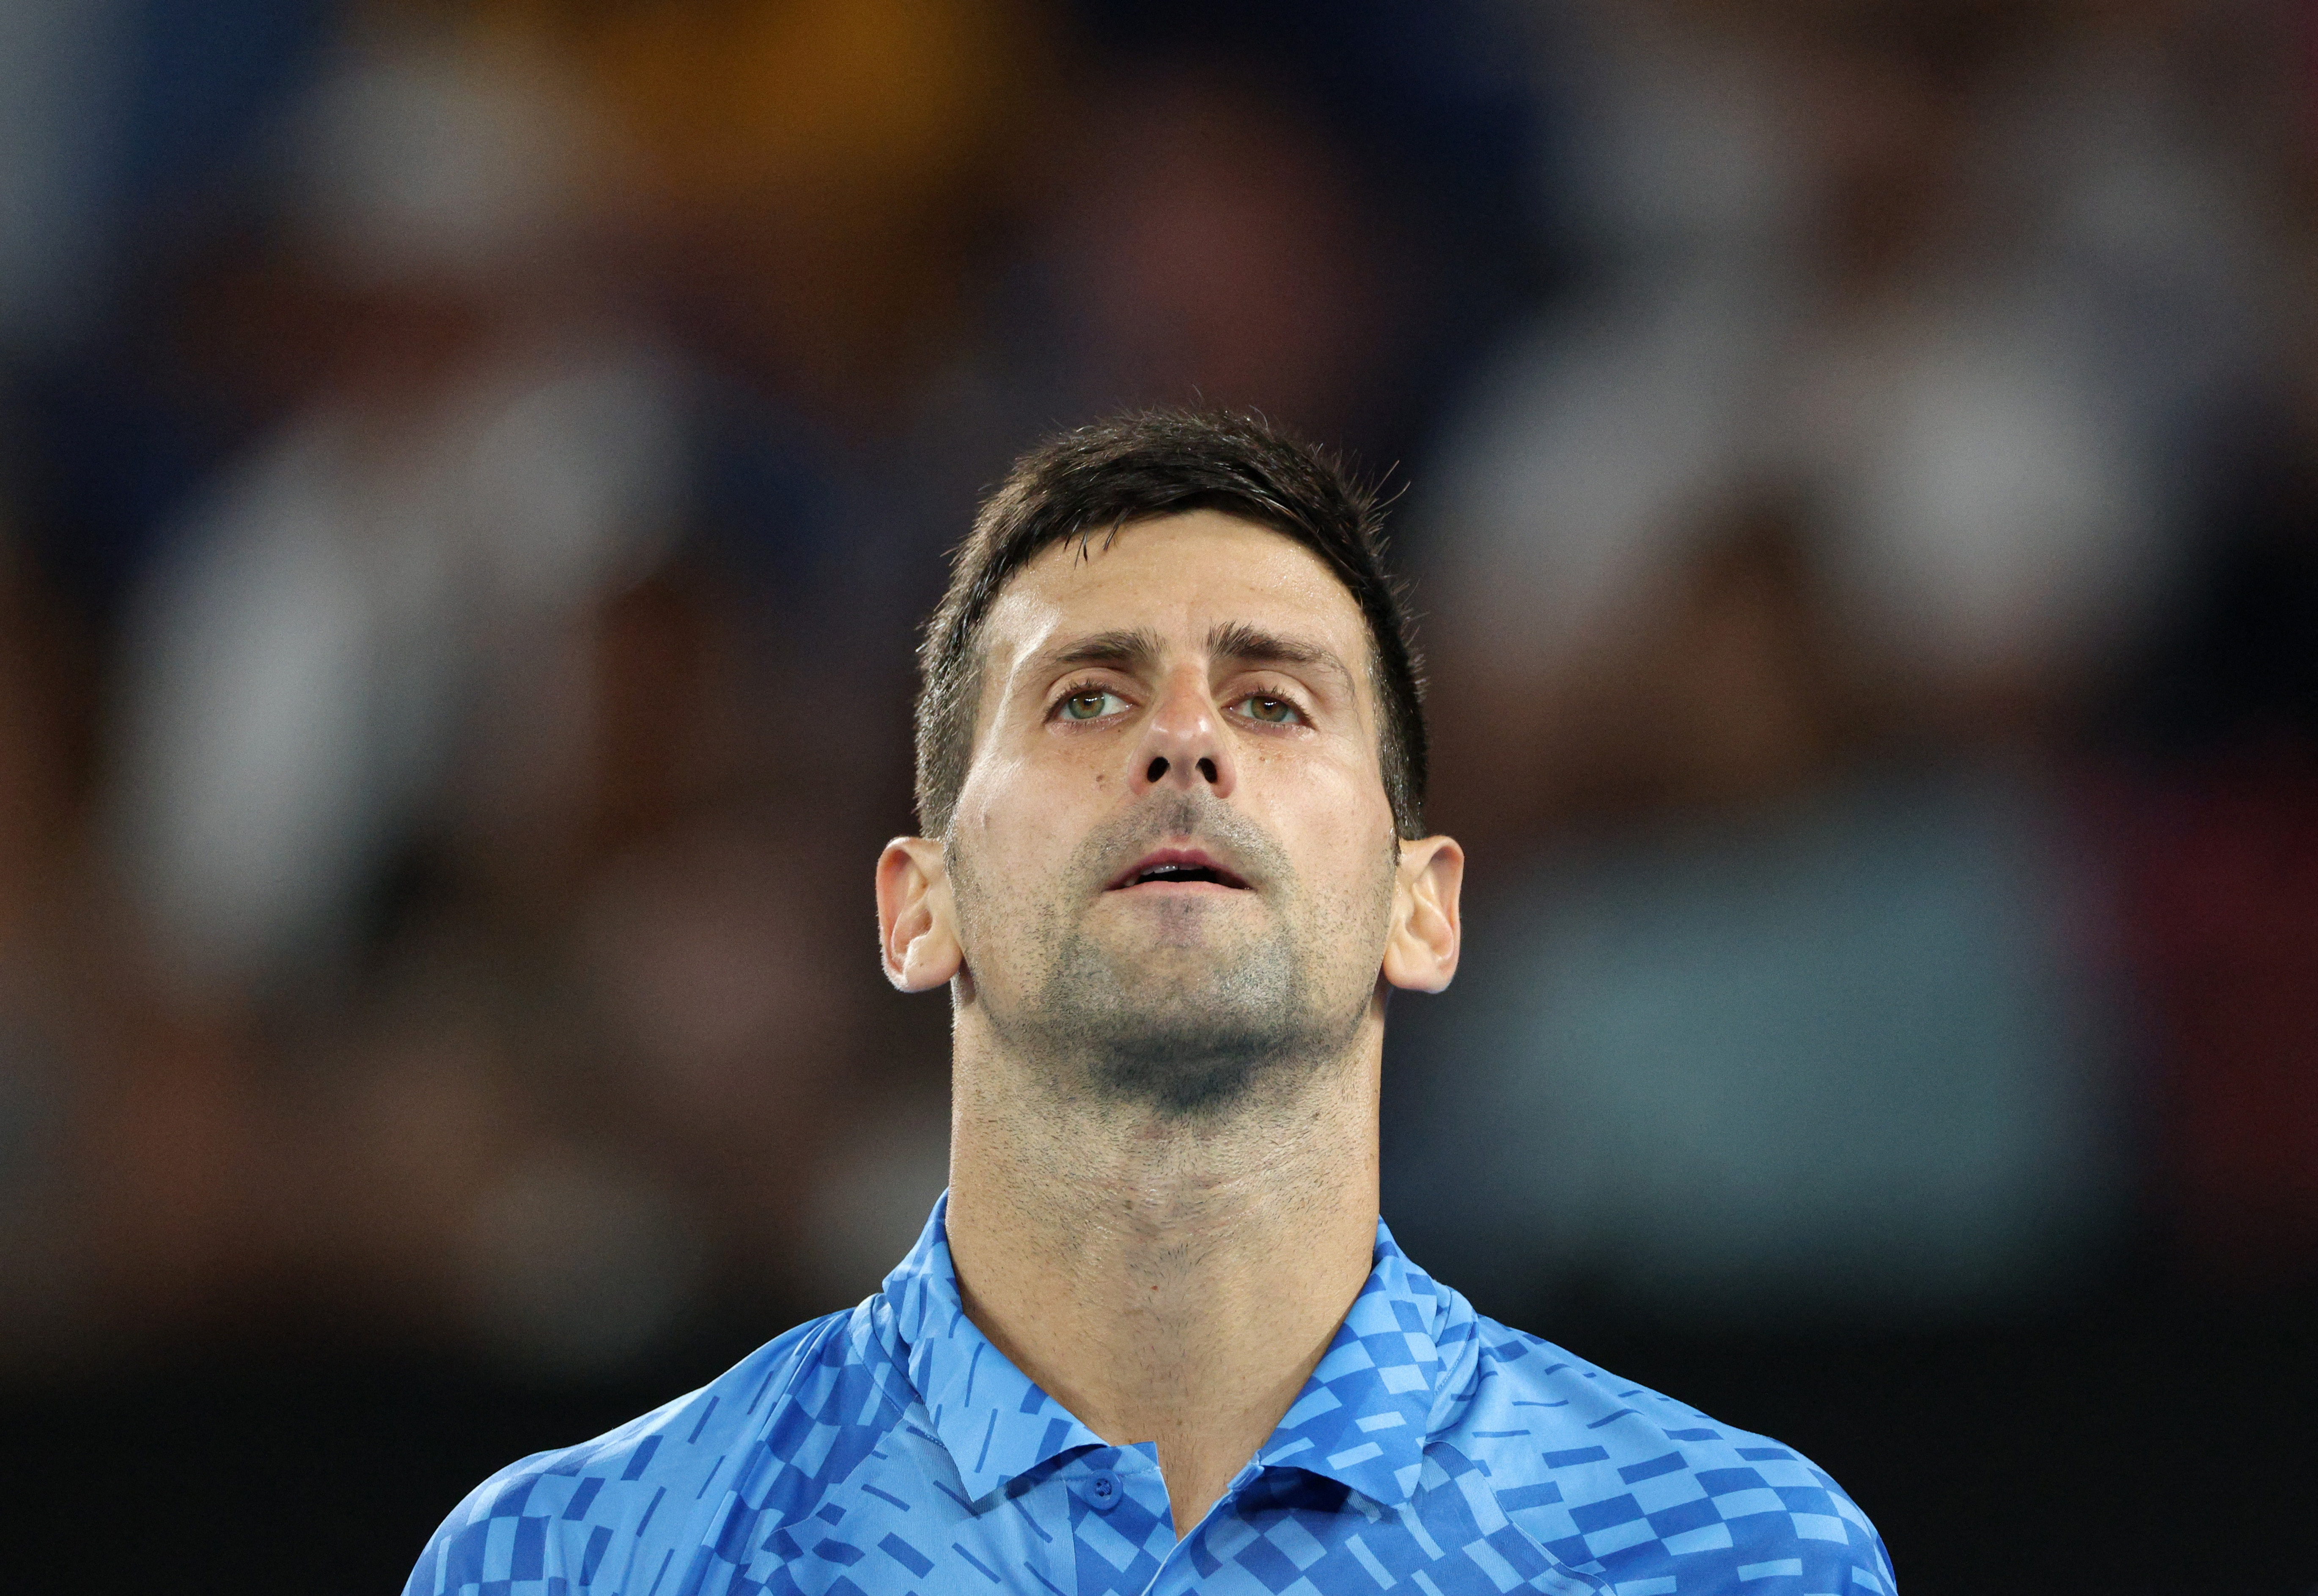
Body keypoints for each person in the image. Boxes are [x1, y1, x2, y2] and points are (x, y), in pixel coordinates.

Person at [403, 410, 1897, 1595]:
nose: (1185, 739)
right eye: (1088, 698)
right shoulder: (576, 1564)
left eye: (1272, 700)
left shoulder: (1727, 1557)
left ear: (1421, 903)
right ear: (919, 906)